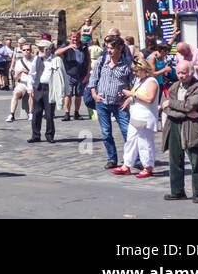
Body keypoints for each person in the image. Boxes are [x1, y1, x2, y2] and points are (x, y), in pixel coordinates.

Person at [161, 59, 198, 203]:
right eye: (178, 72)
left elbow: (190, 106)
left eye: (184, 73)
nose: (181, 75)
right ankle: (177, 191)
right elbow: (168, 110)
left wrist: (171, 104)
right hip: (174, 124)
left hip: (192, 126)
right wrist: (183, 112)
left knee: (195, 160)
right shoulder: (174, 87)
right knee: (175, 159)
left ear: (191, 72)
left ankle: (197, 193)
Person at [88, 38, 135, 170]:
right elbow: (93, 79)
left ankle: (133, 159)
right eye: (108, 48)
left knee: (127, 132)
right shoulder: (102, 61)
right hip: (102, 102)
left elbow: (135, 84)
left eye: (112, 48)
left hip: (120, 104)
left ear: (120, 49)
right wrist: (94, 94)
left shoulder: (127, 65)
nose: (109, 51)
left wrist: (128, 99)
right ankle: (112, 158)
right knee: (106, 133)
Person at [116, 59, 159, 177]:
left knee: (144, 142)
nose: (134, 73)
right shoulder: (140, 81)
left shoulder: (151, 81)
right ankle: (127, 165)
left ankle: (148, 166)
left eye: (136, 71)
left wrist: (132, 94)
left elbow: (150, 99)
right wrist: (128, 99)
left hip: (145, 117)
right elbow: (136, 95)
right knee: (131, 140)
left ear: (144, 70)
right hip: (135, 116)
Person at [27, 39, 67, 143]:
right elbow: (32, 74)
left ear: (47, 49)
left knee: (49, 114)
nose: (39, 50)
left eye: (41, 48)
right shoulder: (37, 59)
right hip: (39, 87)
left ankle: (49, 135)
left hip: (50, 88)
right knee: (36, 112)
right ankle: (35, 135)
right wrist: (30, 87)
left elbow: (62, 75)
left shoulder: (56, 60)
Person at [57, 34, 88, 120]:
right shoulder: (66, 44)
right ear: (71, 37)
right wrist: (69, 47)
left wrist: (87, 74)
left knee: (78, 95)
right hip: (69, 73)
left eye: (77, 37)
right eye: (74, 37)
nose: (75, 39)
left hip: (81, 74)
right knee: (68, 94)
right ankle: (67, 113)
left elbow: (88, 60)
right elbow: (57, 52)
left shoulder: (84, 46)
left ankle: (76, 113)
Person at [6, 41, 33, 121]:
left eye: (28, 50)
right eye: (24, 50)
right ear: (22, 51)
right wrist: (20, 72)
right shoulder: (19, 62)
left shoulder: (35, 60)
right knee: (16, 93)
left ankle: (31, 113)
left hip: (32, 83)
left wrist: (29, 73)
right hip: (22, 83)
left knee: (31, 93)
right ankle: (11, 114)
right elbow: (16, 78)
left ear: (31, 51)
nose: (26, 51)